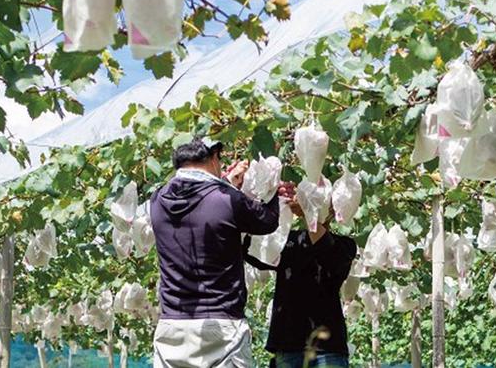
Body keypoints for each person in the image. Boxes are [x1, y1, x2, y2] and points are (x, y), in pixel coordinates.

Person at [150, 137, 293, 368]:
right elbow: (266, 222)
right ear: (214, 157)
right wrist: (275, 195)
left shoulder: (157, 200)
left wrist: (227, 181)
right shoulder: (227, 199)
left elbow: (202, 203)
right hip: (222, 325)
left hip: (172, 326)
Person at [263, 201, 357, 368]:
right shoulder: (287, 241)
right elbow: (256, 252)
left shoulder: (345, 246)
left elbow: (326, 252)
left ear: (333, 211)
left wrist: (307, 211)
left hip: (327, 349)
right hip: (287, 347)